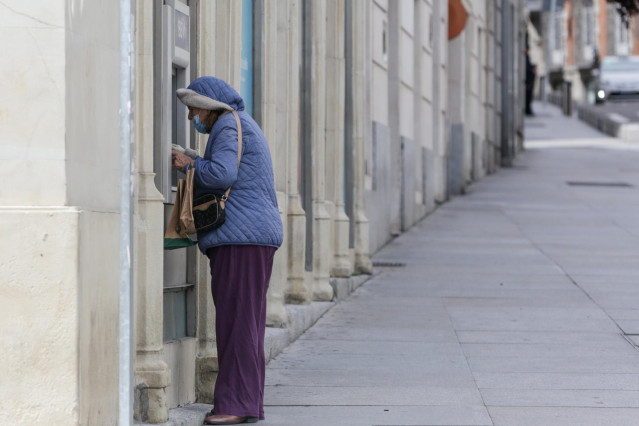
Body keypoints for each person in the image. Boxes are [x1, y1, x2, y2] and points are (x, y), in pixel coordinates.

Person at [171, 76, 283, 425]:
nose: (192, 117)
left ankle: (235, 404)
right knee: (244, 323)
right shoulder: (239, 125)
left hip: (241, 239)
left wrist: (187, 164)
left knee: (236, 322)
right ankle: (244, 401)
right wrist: (193, 157)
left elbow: (220, 175)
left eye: (193, 109)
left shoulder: (227, 126)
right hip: (250, 238)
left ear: (208, 106)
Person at [525, 47, 537, 116]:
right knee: (528, 97)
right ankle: (528, 110)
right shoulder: (525, 58)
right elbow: (527, 69)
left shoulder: (527, 57)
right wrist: (532, 70)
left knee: (529, 98)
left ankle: (528, 110)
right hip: (528, 82)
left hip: (529, 81)